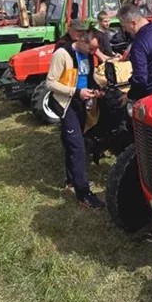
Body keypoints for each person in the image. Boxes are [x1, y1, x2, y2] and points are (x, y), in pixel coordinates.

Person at [46, 24, 104, 209]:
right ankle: (83, 194)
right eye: (92, 48)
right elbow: (50, 82)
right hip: (66, 104)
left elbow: (88, 77)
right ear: (81, 41)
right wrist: (76, 91)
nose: (95, 52)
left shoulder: (88, 55)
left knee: (72, 141)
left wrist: (96, 90)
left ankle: (71, 178)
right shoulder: (62, 54)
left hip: (80, 101)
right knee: (77, 147)